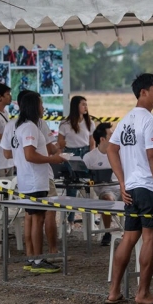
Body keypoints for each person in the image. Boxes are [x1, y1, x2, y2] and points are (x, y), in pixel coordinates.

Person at [105, 73, 153, 304]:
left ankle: (114, 292)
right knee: (150, 239)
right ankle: (143, 293)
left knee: (128, 238)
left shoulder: (125, 120)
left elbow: (111, 149)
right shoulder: (150, 120)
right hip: (149, 188)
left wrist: (123, 183)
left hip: (131, 190)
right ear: (143, 92)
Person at [2, 92, 64, 273]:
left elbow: (14, 154)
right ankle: (38, 260)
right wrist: (54, 159)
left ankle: (33, 258)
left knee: (34, 218)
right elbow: (30, 155)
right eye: (41, 104)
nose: (43, 108)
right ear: (33, 107)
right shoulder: (29, 128)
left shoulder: (20, 127)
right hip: (35, 180)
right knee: (38, 219)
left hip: (27, 179)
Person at [58, 96, 95, 232]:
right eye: (83, 104)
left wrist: (91, 156)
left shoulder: (90, 123)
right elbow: (60, 143)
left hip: (85, 153)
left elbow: (92, 142)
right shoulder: (65, 124)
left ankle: (90, 220)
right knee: (72, 187)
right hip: (70, 155)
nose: (86, 107)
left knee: (88, 186)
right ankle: (70, 220)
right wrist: (60, 157)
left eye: (86, 104)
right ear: (75, 106)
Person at [83, 122, 121, 247]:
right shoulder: (89, 157)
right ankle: (108, 232)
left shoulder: (119, 153)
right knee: (107, 198)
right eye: (111, 134)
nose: (114, 136)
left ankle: (134, 232)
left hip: (122, 189)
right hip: (105, 192)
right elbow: (83, 179)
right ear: (102, 139)